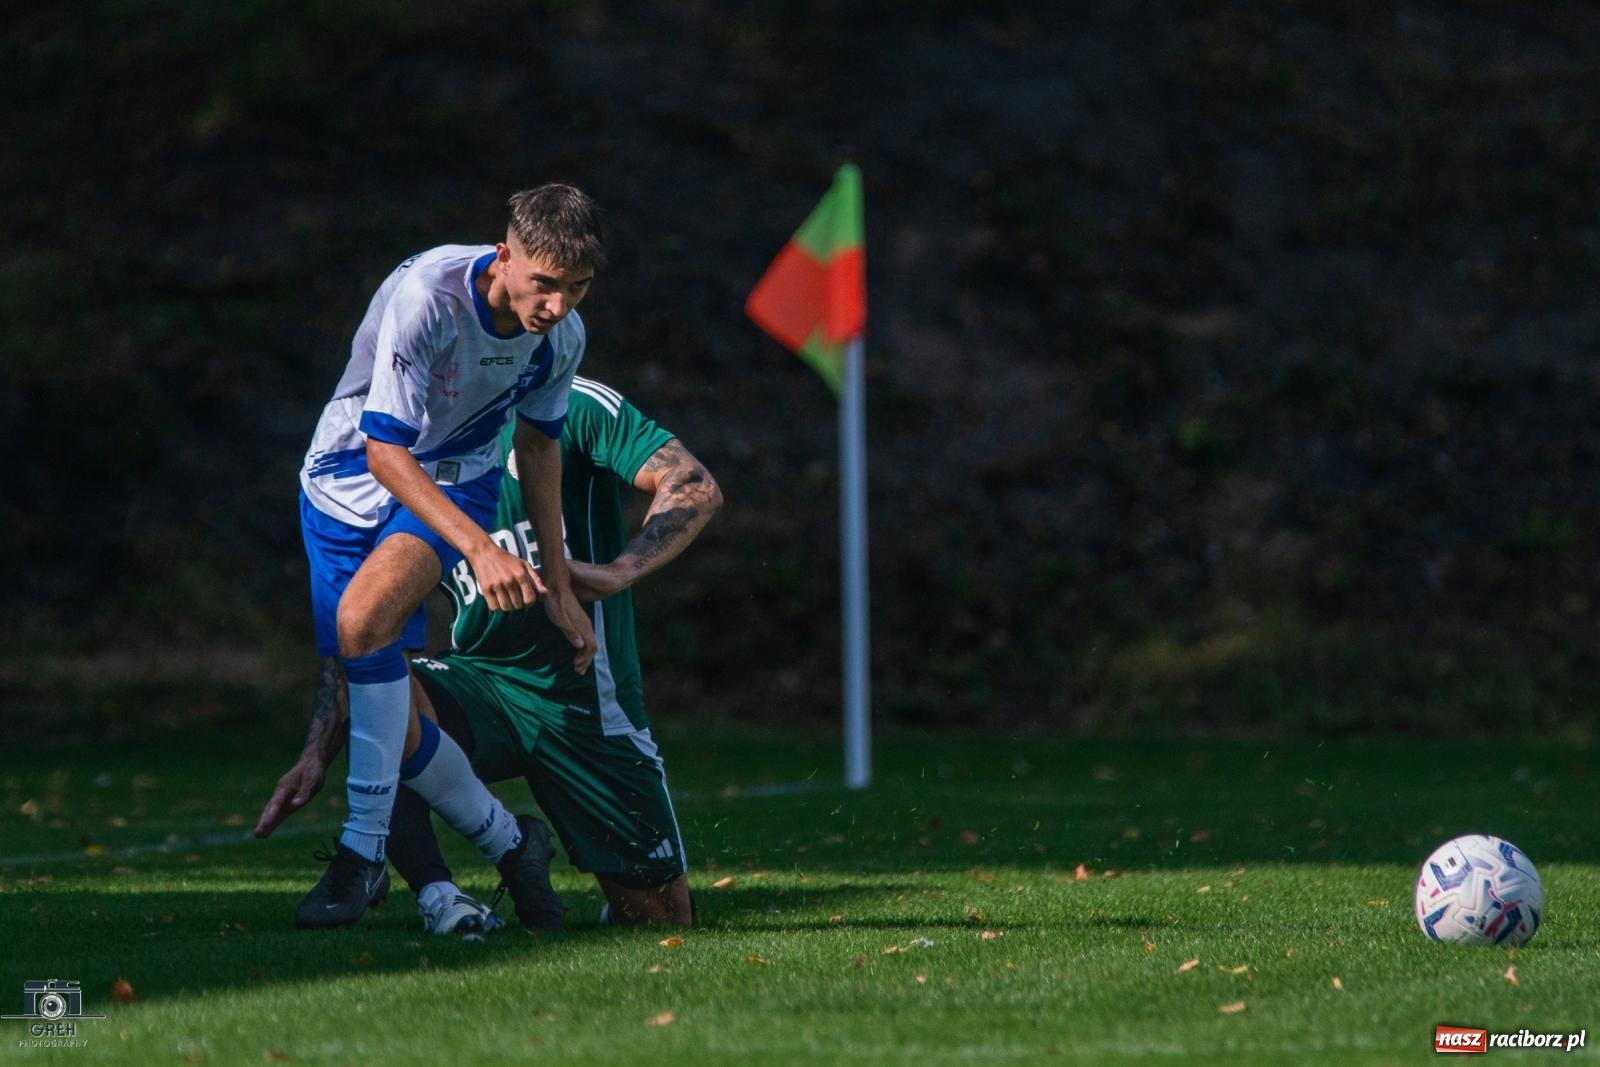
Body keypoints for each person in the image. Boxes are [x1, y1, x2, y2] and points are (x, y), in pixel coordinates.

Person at [259, 377, 721, 930]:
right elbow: (367, 627)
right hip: (479, 680)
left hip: (584, 699)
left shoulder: (570, 402)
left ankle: (587, 871)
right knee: (383, 700)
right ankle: (442, 895)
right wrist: (317, 750)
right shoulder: (400, 446)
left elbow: (692, 482)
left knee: (660, 919)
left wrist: (620, 571)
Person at [292, 185, 603, 928]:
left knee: (363, 621)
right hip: (345, 480)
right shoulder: (428, 297)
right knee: (390, 702)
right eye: (546, 283)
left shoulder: (561, 337)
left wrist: (556, 582)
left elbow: (537, 444)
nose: (558, 305)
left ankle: (359, 854)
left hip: (454, 480)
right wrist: (481, 551)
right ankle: (507, 842)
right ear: (505, 257)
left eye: (579, 287)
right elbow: (383, 448)